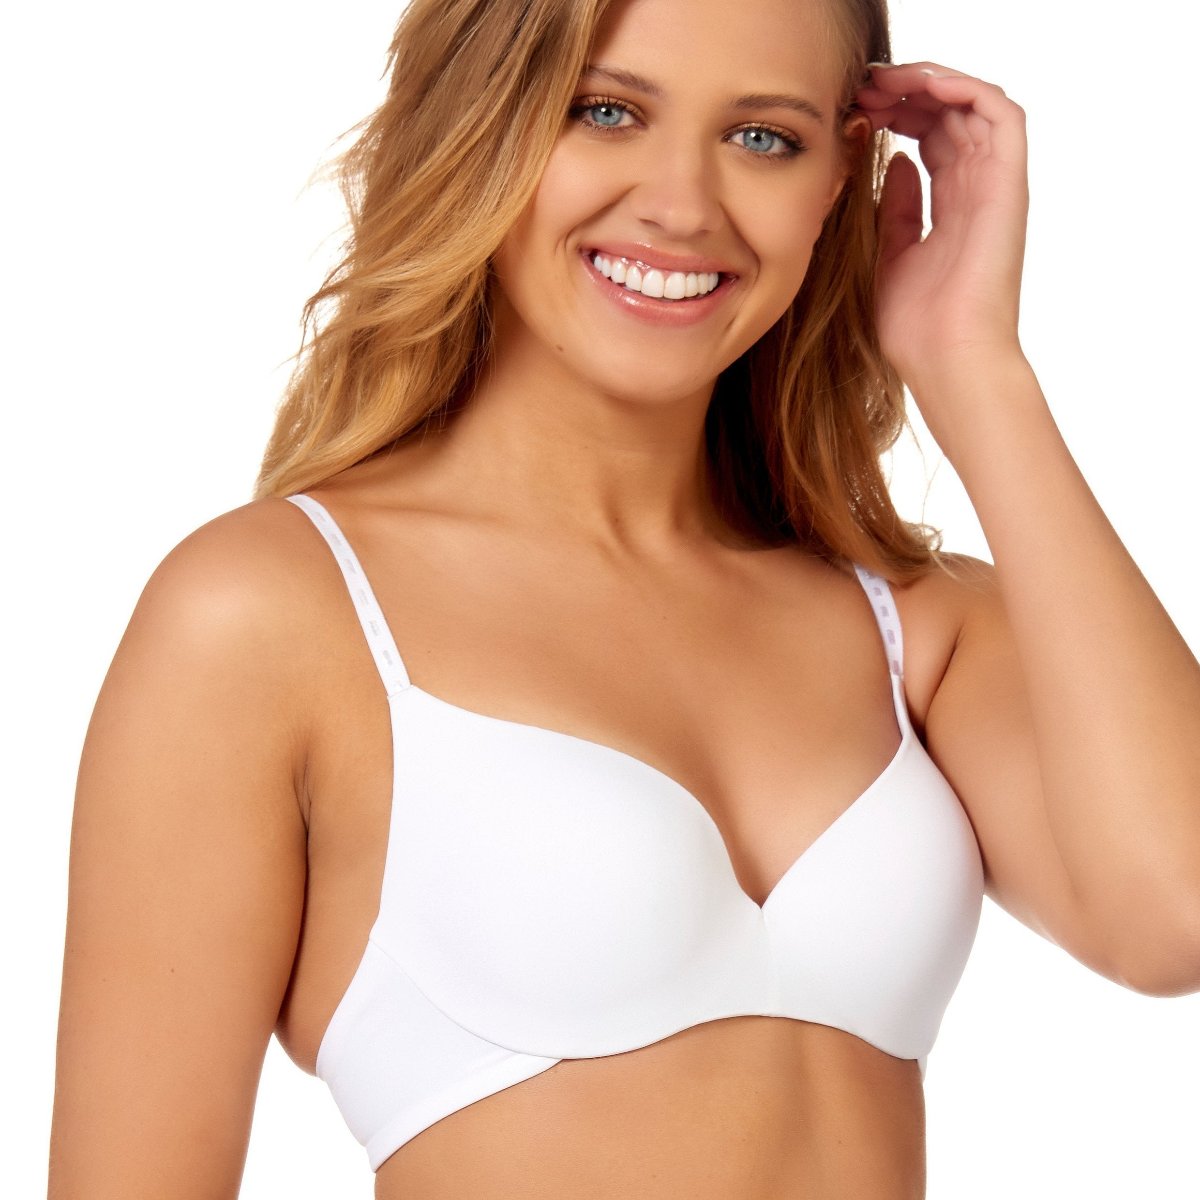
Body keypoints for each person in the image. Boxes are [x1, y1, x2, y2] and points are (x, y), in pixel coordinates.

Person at [47, 0, 1200, 1195]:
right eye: (605, 112)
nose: (683, 205)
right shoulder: (271, 614)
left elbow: (1177, 916)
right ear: (481, 122)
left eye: (764, 138)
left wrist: (975, 367)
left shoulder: (916, 625)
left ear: (837, 184)